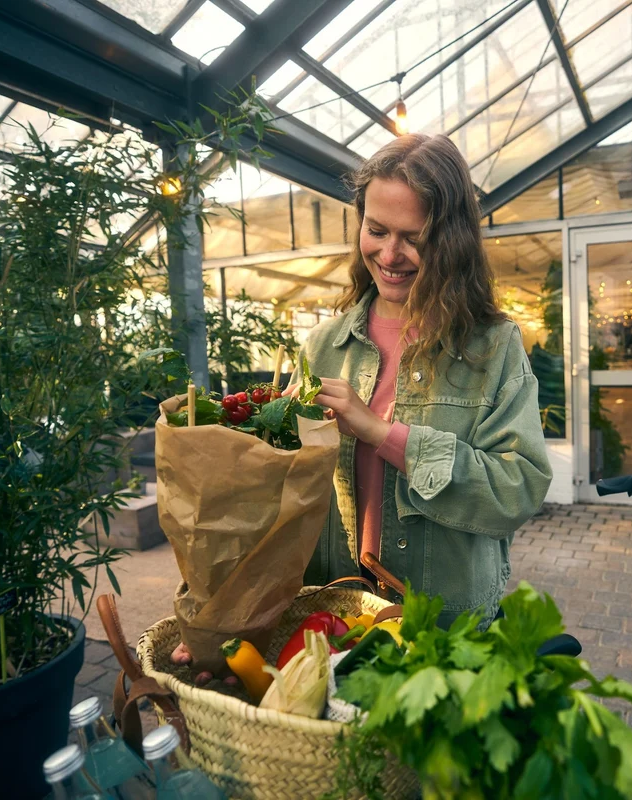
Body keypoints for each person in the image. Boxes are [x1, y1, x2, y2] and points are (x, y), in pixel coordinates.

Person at [173, 134, 551, 673]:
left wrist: (382, 434)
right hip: (329, 620)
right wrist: (220, 617)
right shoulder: (324, 347)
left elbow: (518, 489)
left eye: (413, 238)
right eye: (376, 231)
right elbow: (269, 501)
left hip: (442, 625)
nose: (390, 255)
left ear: (453, 241)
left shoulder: (492, 348)